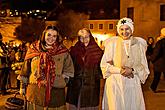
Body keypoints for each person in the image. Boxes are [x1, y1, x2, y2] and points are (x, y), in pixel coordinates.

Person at [17, 26, 74, 110]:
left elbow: (68, 69)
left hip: (56, 93)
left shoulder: (63, 51)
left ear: (57, 37)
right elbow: (25, 70)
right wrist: (22, 87)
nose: (51, 38)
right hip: (35, 91)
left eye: (54, 36)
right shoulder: (33, 49)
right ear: (44, 35)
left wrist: (61, 80)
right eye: (49, 35)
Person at [100, 17, 150, 110]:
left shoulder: (139, 44)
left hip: (132, 82)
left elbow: (143, 66)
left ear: (132, 29)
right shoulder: (112, 43)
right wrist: (120, 70)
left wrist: (132, 70)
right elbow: (104, 65)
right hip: (115, 82)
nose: (124, 32)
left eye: (127, 28)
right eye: (121, 29)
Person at [66, 28, 103, 110]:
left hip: (91, 87)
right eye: (81, 37)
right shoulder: (74, 50)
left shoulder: (98, 52)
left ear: (90, 37)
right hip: (75, 86)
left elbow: (102, 69)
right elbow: (68, 66)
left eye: (86, 37)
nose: (84, 39)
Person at [150, 27, 165, 92]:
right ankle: (153, 87)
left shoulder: (160, 42)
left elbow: (157, 52)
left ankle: (153, 87)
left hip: (159, 63)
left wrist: (152, 59)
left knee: (157, 77)